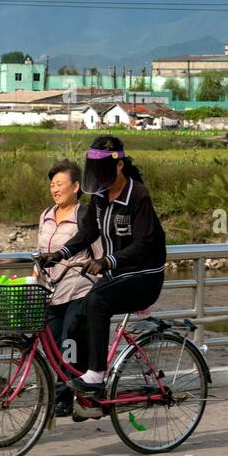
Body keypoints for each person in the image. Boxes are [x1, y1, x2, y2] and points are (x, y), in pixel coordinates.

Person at [45, 134, 167, 398]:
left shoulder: (138, 196)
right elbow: (87, 231)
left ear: (120, 166)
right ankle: (75, 388)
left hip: (144, 276)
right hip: (119, 276)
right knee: (77, 318)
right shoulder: (99, 196)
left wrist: (107, 261)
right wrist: (60, 254)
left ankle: (97, 376)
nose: (100, 181)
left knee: (96, 302)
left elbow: (145, 242)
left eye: (104, 174)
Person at [37, 159, 102, 417]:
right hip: (52, 292)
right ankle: (81, 393)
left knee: (69, 343)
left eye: (60, 183)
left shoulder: (84, 215)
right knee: (52, 346)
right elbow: (41, 252)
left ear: (75, 186)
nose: (55, 188)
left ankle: (66, 397)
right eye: (52, 184)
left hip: (79, 289)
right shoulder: (46, 215)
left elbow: (98, 253)